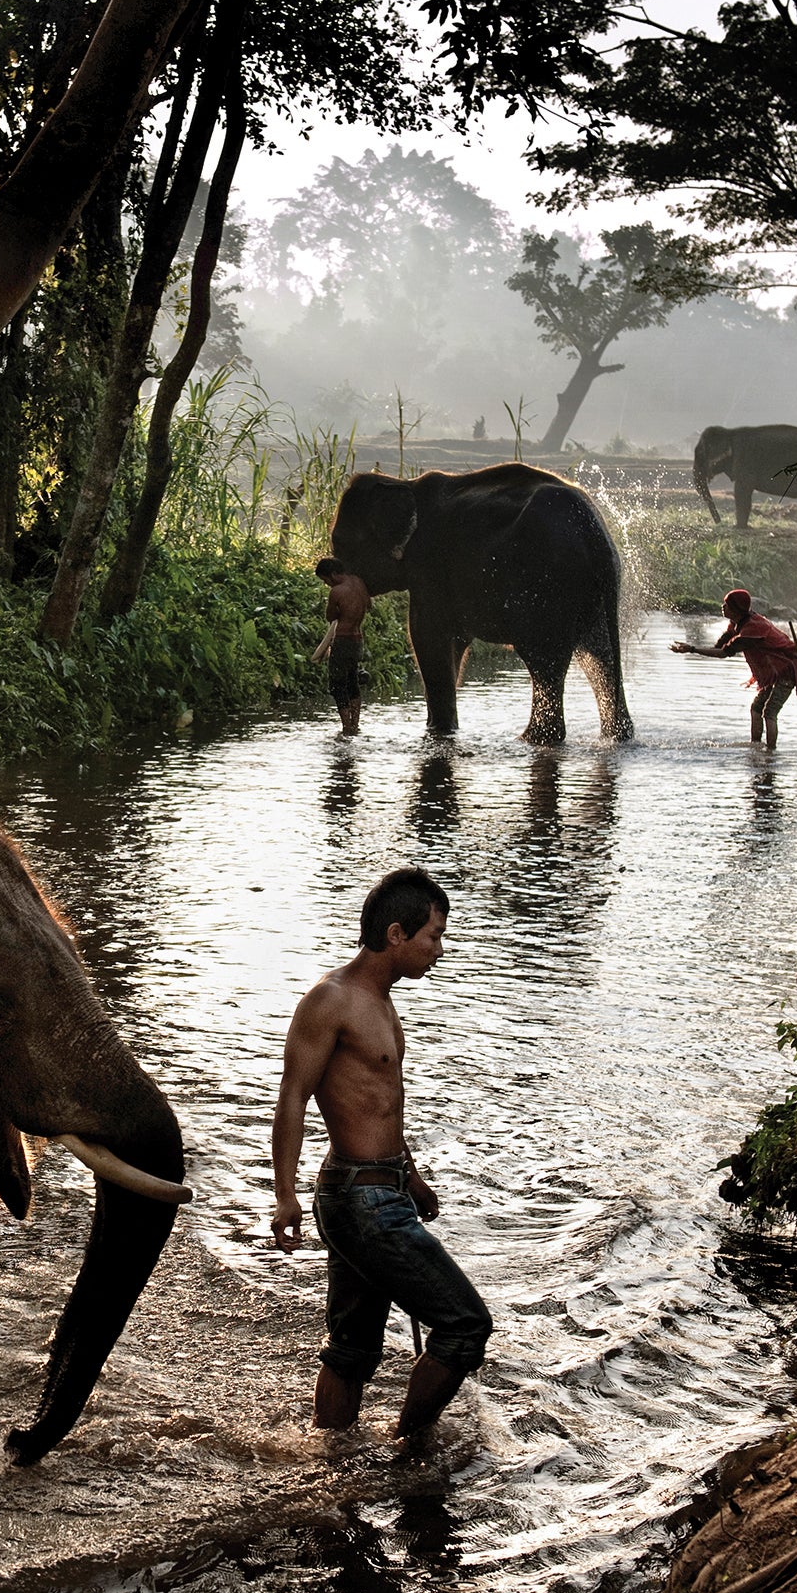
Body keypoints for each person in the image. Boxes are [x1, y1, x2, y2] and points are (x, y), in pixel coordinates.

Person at [269, 867, 492, 1445]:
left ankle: (332, 1461)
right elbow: (293, 1097)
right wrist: (285, 1195)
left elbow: (381, 1108)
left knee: (352, 1347)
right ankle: (410, 1450)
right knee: (465, 1326)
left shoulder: (383, 1003)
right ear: (397, 934)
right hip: (357, 1198)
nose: (439, 952)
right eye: (433, 936)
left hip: (381, 1189)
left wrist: (412, 1178)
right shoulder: (331, 1000)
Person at [673, 587, 797, 745]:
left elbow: (724, 653)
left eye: (726, 605)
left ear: (735, 610)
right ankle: (756, 747)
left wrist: (692, 649)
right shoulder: (736, 624)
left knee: (770, 712)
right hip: (773, 673)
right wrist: (692, 649)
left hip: (786, 671)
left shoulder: (752, 628)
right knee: (756, 708)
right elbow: (719, 647)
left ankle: (770, 752)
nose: (723, 607)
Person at [310, 558, 373, 735]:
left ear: (333, 575)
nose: (326, 584)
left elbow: (330, 617)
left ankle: (346, 727)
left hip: (342, 640)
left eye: (325, 580)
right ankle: (355, 723)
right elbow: (368, 605)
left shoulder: (337, 592)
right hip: (357, 640)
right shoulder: (359, 583)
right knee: (352, 681)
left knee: (337, 684)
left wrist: (339, 610)